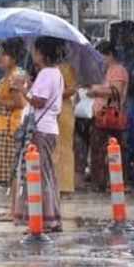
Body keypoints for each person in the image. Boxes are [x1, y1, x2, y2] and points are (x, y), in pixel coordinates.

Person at [14, 37, 65, 232]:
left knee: (39, 175)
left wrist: (23, 89)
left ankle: (44, 219)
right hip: (48, 128)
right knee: (45, 174)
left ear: (43, 54)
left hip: (40, 129)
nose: (33, 55)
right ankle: (49, 216)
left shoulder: (47, 74)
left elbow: (39, 101)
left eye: (36, 51)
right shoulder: (55, 73)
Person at [87, 40, 129, 191]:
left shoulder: (118, 70)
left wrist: (97, 90)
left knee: (111, 150)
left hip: (111, 116)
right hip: (99, 115)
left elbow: (115, 91)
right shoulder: (104, 71)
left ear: (110, 55)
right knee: (98, 150)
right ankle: (100, 181)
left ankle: (114, 181)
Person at [0, 38, 26, 187]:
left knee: (11, 172)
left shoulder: (14, 77)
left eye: (3, 54)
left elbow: (19, 103)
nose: (0, 57)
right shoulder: (8, 76)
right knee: (8, 172)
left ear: (13, 58)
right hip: (4, 125)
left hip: (11, 126)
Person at [57, 52, 78, 194]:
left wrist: (55, 93)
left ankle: (65, 184)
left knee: (64, 149)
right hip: (50, 111)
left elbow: (72, 89)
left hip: (63, 111)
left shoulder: (66, 68)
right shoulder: (44, 69)